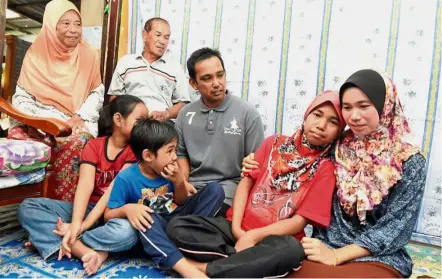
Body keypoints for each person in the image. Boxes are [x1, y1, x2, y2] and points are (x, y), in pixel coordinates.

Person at [244, 69, 426, 278]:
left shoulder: (409, 161)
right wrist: (253, 163)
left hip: (378, 256)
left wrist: (337, 256)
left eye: (364, 106)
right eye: (347, 108)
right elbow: (292, 160)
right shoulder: (335, 147)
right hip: (322, 246)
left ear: (385, 105)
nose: (354, 116)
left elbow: (395, 229)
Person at [167, 91, 346, 278]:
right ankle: (242, 263)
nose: (321, 125)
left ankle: (204, 269)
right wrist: (238, 230)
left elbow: (299, 222)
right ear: (307, 115)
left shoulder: (326, 169)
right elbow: (245, 184)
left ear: (338, 132)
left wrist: (253, 237)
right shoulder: (274, 143)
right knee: (177, 226)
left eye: (333, 122)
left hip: (274, 240)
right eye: (317, 115)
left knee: (292, 252)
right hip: (235, 228)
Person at [18, 95, 149, 276]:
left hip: (114, 212)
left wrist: (80, 227)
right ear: (118, 119)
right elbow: (85, 186)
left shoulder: (134, 151)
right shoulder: (94, 145)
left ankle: (57, 238)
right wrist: (77, 223)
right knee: (28, 207)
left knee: (128, 233)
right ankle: (89, 251)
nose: (144, 126)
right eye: (140, 121)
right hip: (89, 208)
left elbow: (112, 193)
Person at [8, 0, 104, 201]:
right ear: (52, 26)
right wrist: (43, 122)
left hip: (77, 119)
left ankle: (62, 204)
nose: (73, 30)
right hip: (39, 119)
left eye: (77, 24)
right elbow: (22, 97)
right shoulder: (35, 54)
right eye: (66, 23)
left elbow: (97, 92)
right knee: (18, 136)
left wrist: (80, 116)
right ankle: (33, 201)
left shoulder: (89, 54)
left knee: (76, 142)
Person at [104, 118, 225, 278]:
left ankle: (189, 242)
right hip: (155, 230)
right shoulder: (126, 178)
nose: (175, 157)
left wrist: (179, 181)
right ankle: (187, 269)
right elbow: (107, 215)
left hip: (178, 223)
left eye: (175, 150)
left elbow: (180, 201)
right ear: (148, 155)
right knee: (147, 217)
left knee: (215, 190)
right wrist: (127, 209)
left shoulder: (171, 170)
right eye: (169, 151)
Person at [175, 47, 265, 215]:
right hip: (193, 193)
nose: (216, 83)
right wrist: (183, 184)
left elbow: (256, 166)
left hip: (228, 196)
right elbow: (181, 155)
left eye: (220, 75)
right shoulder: (185, 114)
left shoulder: (247, 114)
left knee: (185, 222)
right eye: (207, 78)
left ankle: (183, 228)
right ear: (193, 83)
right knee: (151, 220)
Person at [108, 17, 191, 122]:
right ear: (145, 35)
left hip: (161, 123)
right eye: (158, 35)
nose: (162, 41)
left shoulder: (175, 68)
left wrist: (167, 114)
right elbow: (114, 97)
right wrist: (129, 114)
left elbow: (183, 104)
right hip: (131, 122)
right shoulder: (126, 62)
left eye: (166, 37)